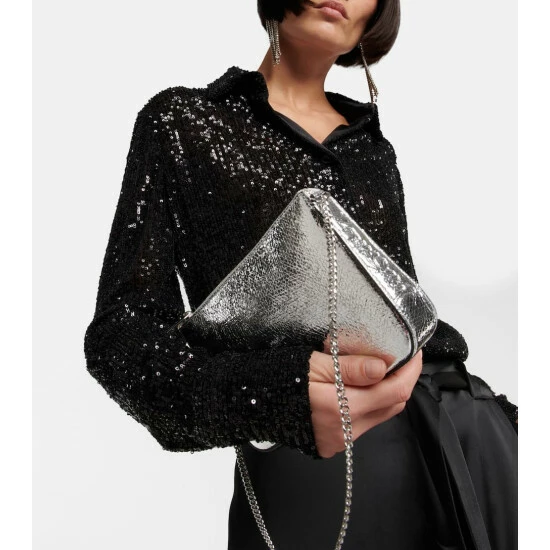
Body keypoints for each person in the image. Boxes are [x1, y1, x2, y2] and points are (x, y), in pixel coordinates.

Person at [83, 1, 518, 548]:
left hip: (470, 432)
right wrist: (269, 398)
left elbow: (408, 315)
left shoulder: (374, 150)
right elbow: (121, 334)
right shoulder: (183, 121)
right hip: (313, 464)